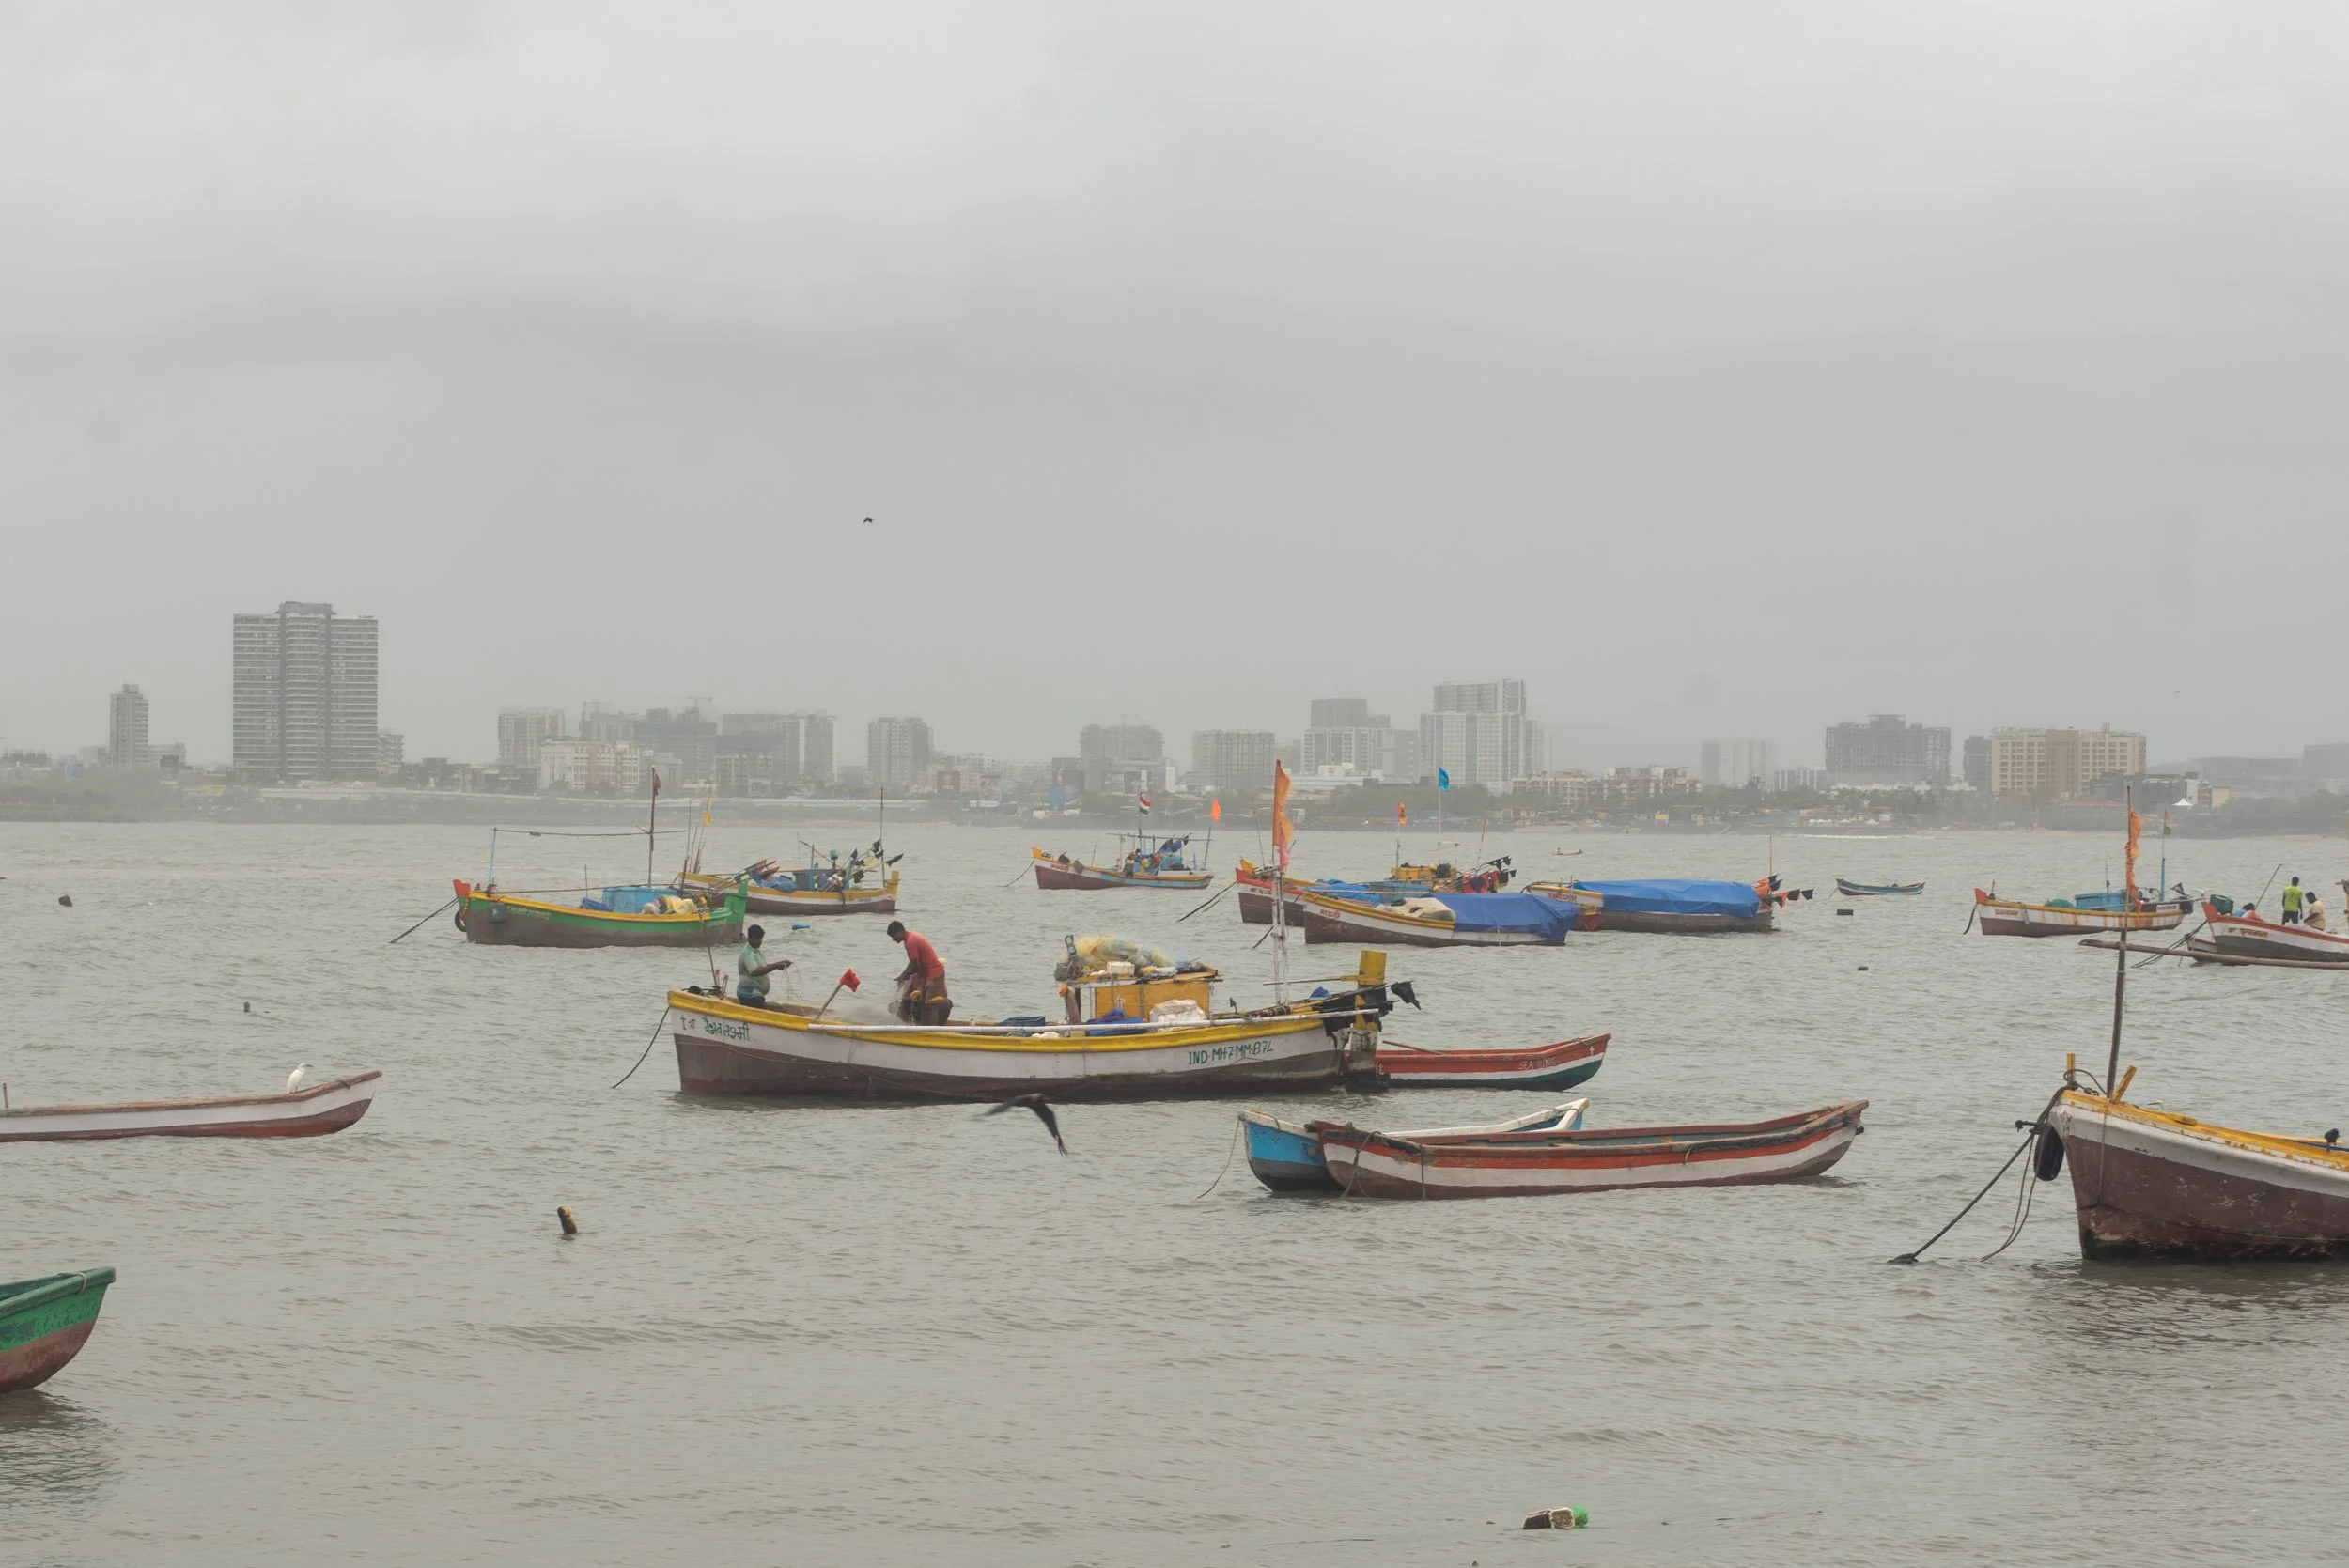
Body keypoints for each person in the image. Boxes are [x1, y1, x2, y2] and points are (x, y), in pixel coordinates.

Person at [887, 919, 951, 1024]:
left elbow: (916, 966)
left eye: (893, 936)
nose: (893, 940)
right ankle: (925, 1025)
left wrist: (905, 975)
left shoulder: (910, 942)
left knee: (930, 1003)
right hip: (928, 974)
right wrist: (903, 975)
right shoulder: (910, 938)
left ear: (900, 931)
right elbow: (913, 962)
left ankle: (933, 1025)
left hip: (934, 973)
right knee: (923, 1002)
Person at [737, 924, 791, 1006]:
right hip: (750, 995)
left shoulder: (756, 951)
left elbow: (763, 966)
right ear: (750, 938)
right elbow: (755, 972)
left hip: (757, 995)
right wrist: (775, 966)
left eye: (761, 938)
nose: (760, 941)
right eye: (757, 939)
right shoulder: (748, 954)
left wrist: (779, 963)